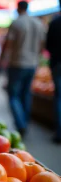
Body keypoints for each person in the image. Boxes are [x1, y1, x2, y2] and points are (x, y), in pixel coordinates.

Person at [2, 1, 45, 135]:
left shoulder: (17, 23)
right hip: (32, 63)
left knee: (13, 94)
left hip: (17, 63)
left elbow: (8, 43)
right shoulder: (38, 23)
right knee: (26, 93)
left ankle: (21, 124)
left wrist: (3, 59)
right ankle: (25, 121)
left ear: (18, 9)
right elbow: (42, 44)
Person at [46, 2, 61, 144]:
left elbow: (48, 45)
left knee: (59, 97)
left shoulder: (55, 23)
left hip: (57, 64)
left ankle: (59, 132)